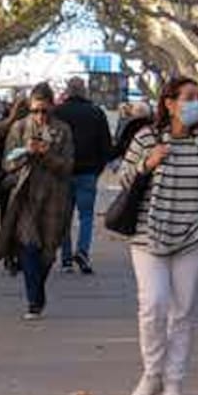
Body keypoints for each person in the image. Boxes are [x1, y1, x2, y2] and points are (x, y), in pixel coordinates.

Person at [120, 77, 198, 395]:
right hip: (148, 236)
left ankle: (174, 380)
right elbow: (123, 179)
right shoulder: (145, 138)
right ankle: (152, 373)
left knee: (181, 312)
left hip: (193, 240)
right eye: (189, 97)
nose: (196, 103)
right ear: (169, 103)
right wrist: (146, 164)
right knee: (152, 305)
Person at [0, 83, 75, 319]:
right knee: (28, 246)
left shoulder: (63, 131)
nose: (40, 116)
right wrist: (26, 152)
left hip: (55, 196)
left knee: (48, 252)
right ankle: (34, 302)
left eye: (44, 111)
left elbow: (68, 166)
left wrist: (46, 154)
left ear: (52, 108)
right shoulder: (19, 128)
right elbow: (7, 163)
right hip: (25, 195)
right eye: (35, 111)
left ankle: (37, 291)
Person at [55, 77, 113, 275]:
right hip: (88, 172)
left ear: (68, 91)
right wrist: (98, 168)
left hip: (63, 171)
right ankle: (83, 252)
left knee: (64, 217)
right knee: (86, 216)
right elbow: (106, 145)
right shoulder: (96, 113)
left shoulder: (58, 112)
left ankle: (66, 259)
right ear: (85, 91)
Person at [0, 98, 29, 276]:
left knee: (6, 218)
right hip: (23, 179)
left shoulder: (2, 128)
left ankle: (9, 255)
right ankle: (19, 254)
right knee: (23, 219)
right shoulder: (29, 130)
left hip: (5, 180)